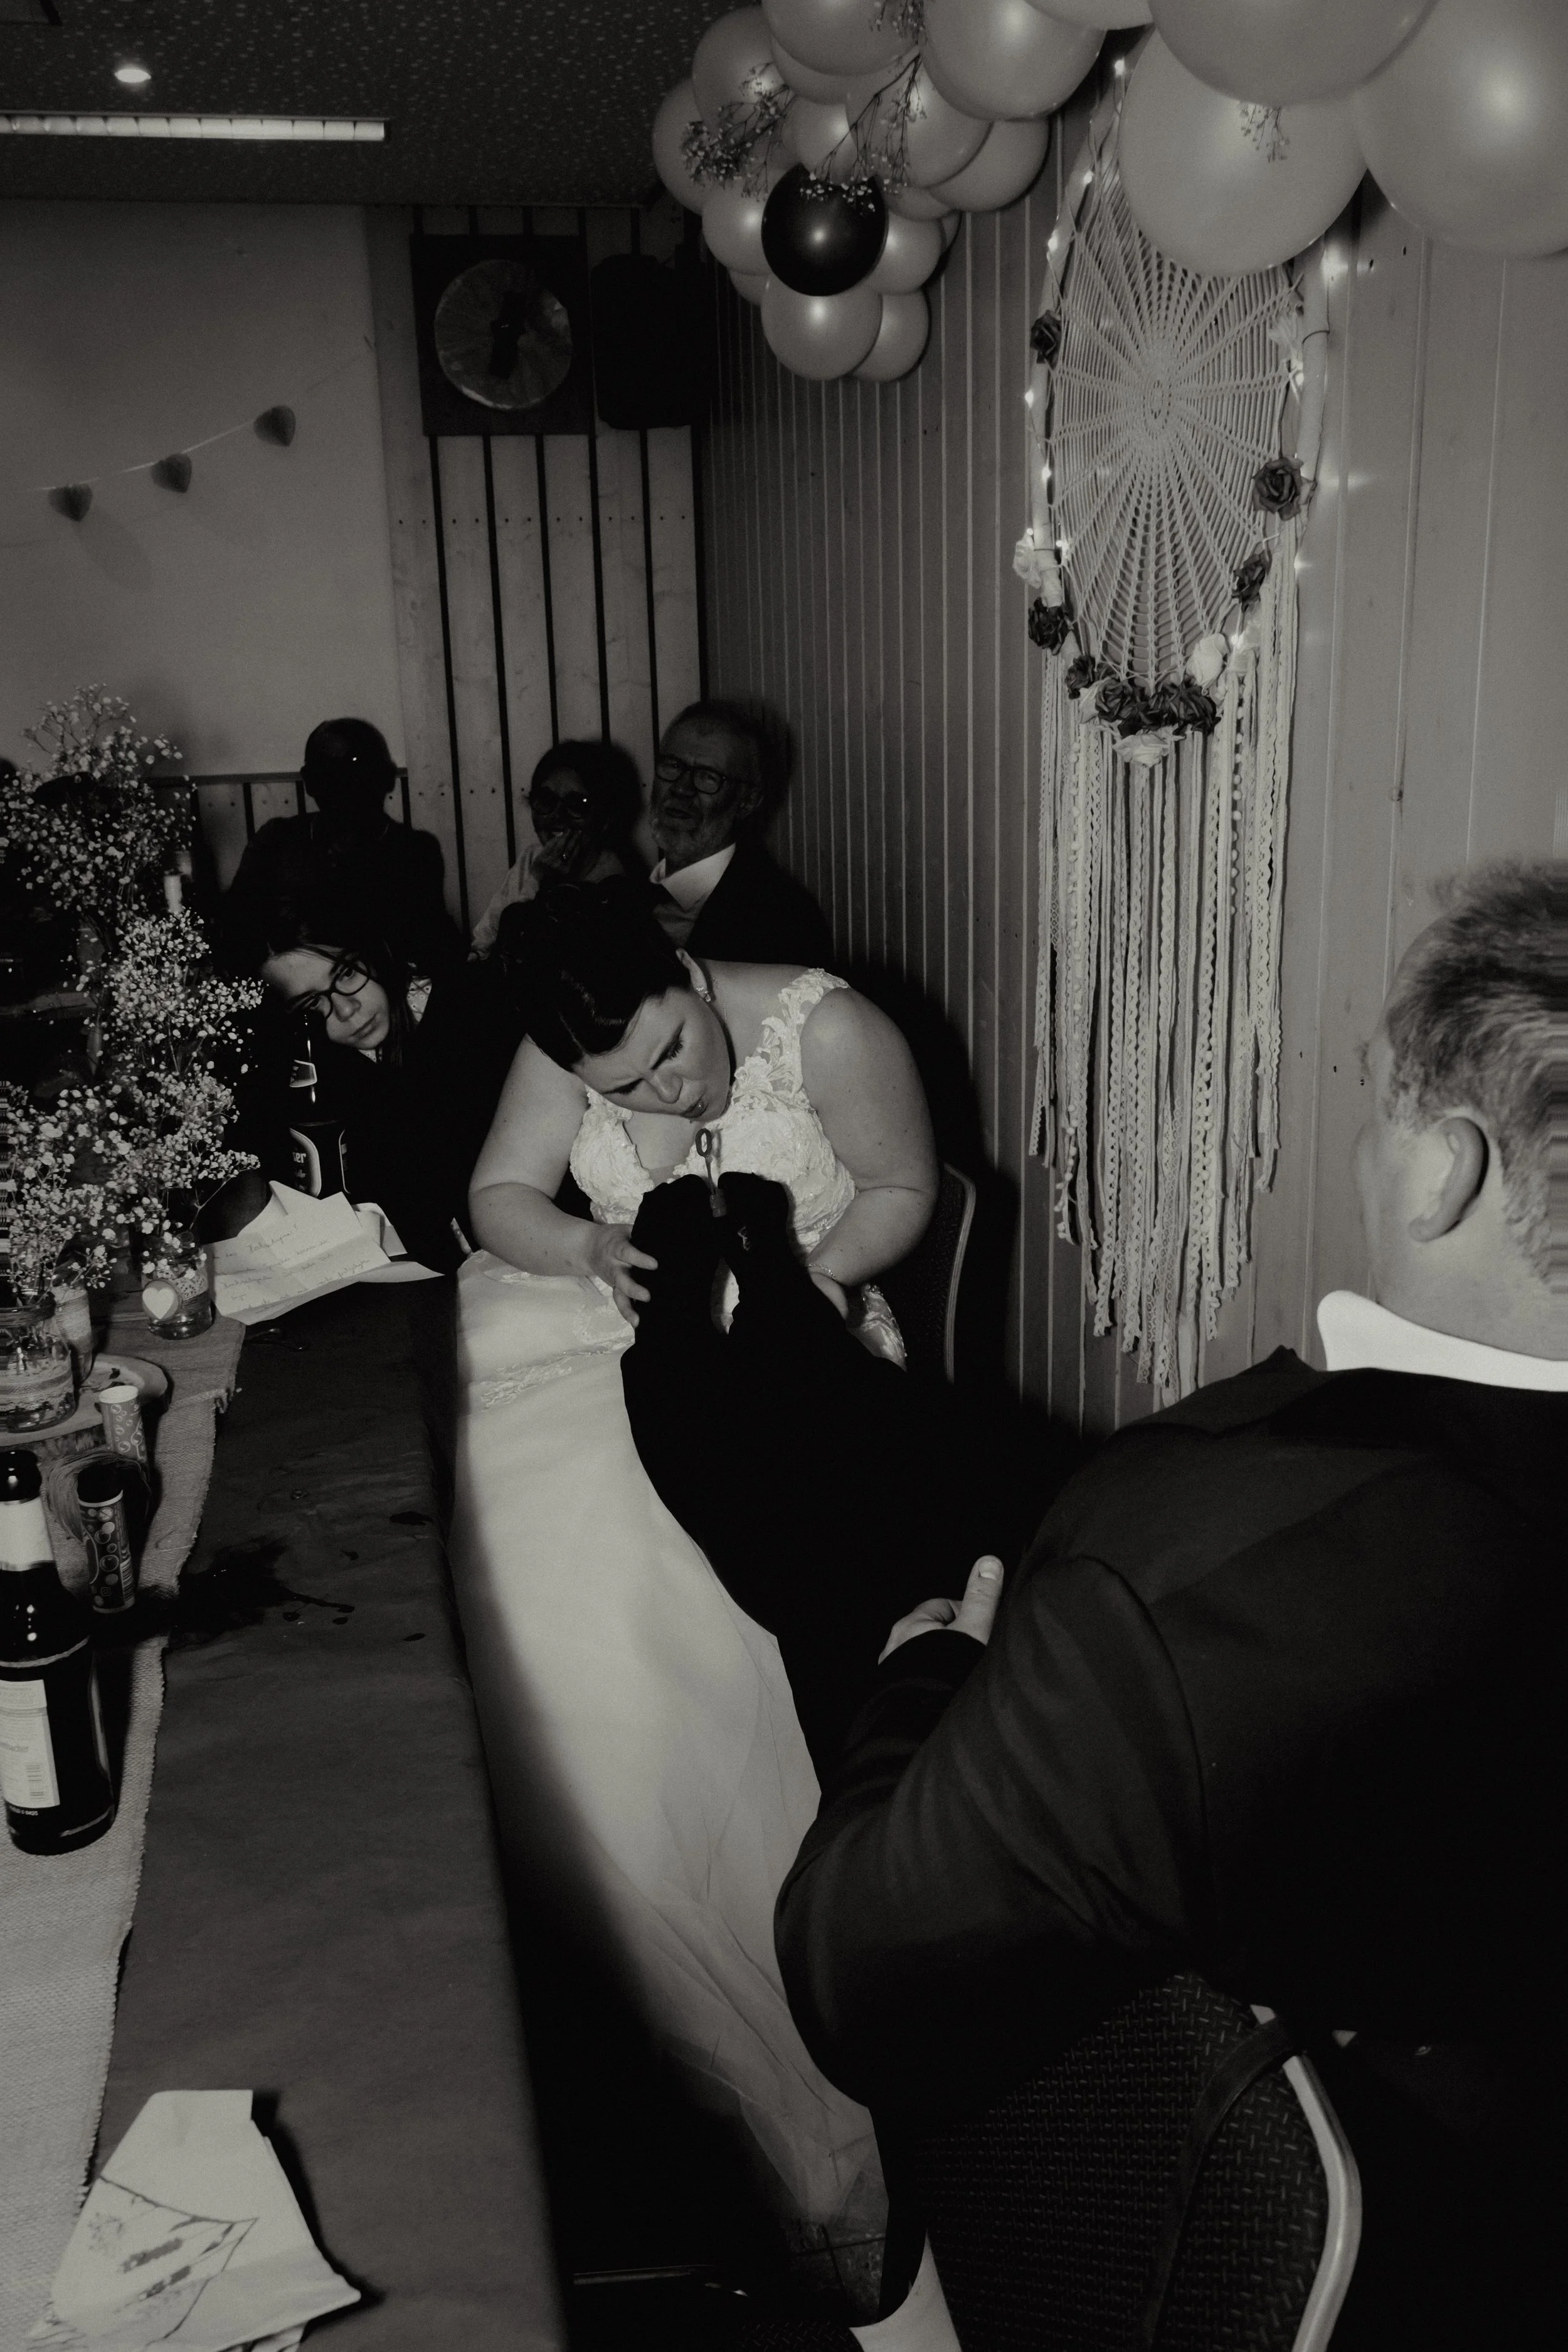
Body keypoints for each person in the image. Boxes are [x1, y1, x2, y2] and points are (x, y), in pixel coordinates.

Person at [776, 860, 1567, 2349]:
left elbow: (856, 1974)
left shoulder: (1203, 1559)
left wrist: (922, 1678)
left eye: (1375, 1105)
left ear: (1441, 1168)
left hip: (1302, 2244)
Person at [445, 885, 943, 2232]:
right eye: (628, 1081)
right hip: (623, 1331)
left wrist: (817, 1285)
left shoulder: (825, 1028)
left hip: (811, 1347)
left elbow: (904, 1186)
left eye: (671, 1044)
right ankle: (561, 1985)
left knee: (623, 1599)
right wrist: (587, 1243)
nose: (669, 1083)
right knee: (513, 1558)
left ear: (681, 965)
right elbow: (498, 1193)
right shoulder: (573, 1036)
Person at [248, 898, 521, 1271]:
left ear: (373, 951)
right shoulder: (310, 1072)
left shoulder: (473, 1009)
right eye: (312, 1004)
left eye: (346, 974)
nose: (346, 1010)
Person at [228, 719, 464, 980]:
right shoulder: (277, 840)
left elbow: (423, 948)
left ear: (386, 777)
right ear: (310, 782)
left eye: (359, 768)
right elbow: (236, 930)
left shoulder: (414, 850)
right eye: (329, 772)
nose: (347, 785)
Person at [647, 702, 834, 967]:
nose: (682, 789)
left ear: (747, 802)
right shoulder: (627, 897)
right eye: (673, 766)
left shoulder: (782, 920)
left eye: (708, 777)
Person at [470, 738, 644, 958]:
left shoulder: (614, 884)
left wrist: (538, 882)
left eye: (577, 805)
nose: (557, 816)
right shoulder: (532, 859)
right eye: (546, 800)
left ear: (605, 818)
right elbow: (484, 941)